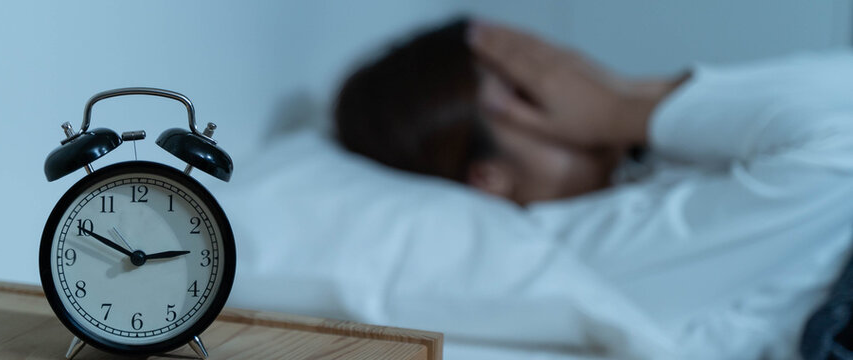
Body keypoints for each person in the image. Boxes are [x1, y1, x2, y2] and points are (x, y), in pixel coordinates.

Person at [333, 18, 853, 358]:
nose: (567, 79)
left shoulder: (648, 165)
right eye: (528, 89)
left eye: (546, 61)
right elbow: (839, 146)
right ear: (488, 177)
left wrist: (638, 96)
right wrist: (622, 107)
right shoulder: (580, 253)